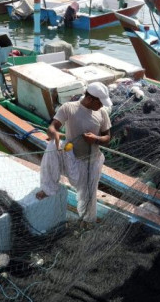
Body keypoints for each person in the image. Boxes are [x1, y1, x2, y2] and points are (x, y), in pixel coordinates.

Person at [35, 82, 112, 224]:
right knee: (52, 145)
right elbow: (52, 127)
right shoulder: (68, 108)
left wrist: (95, 139)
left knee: (88, 195)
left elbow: (107, 138)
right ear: (90, 98)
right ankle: (48, 188)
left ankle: (87, 219)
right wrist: (55, 134)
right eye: (100, 103)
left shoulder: (102, 113)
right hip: (70, 156)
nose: (102, 106)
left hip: (90, 162)